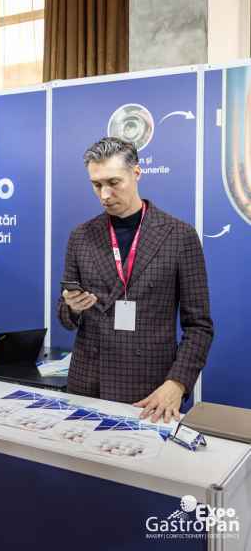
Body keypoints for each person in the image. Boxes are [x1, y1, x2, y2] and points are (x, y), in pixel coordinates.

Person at [57, 137, 213, 424]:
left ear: (137, 173)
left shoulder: (179, 236)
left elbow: (199, 326)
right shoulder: (81, 236)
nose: (105, 194)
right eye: (96, 185)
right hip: (87, 384)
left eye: (113, 182)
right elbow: (65, 318)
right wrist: (72, 307)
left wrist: (177, 383)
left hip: (152, 392)